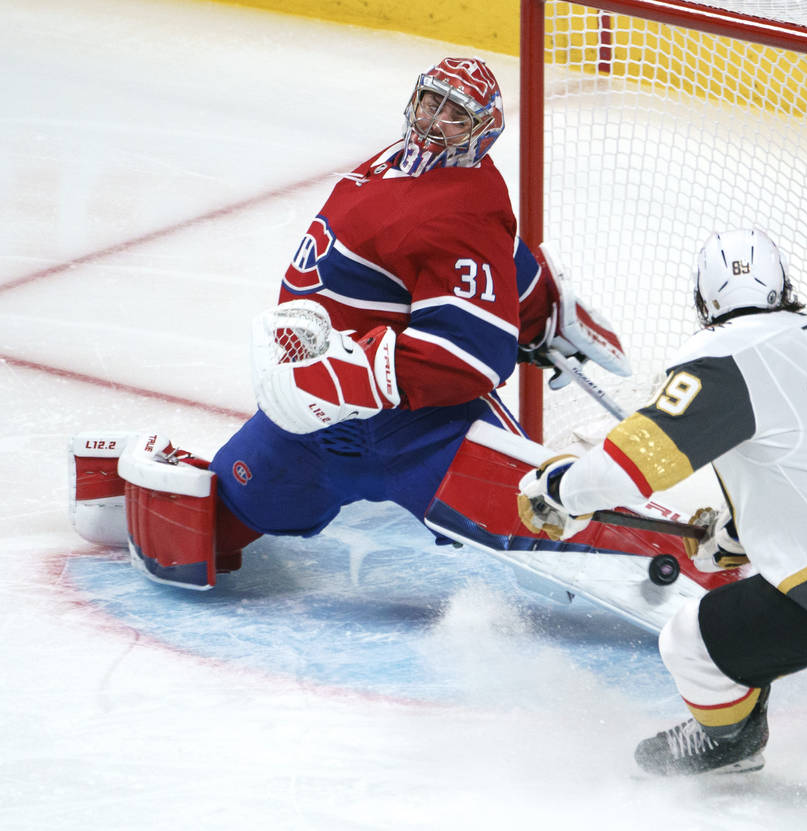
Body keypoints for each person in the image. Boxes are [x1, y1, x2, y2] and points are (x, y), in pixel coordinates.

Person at [68, 57, 628, 588]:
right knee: (207, 531)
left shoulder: (463, 206)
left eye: (455, 115)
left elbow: (470, 353)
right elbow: (497, 253)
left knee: (558, 531)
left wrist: (345, 376)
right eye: (431, 102)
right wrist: (540, 308)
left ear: (481, 132)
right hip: (317, 427)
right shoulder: (398, 164)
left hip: (424, 428)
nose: (435, 122)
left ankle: (677, 554)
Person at [517, 228, 807, 776]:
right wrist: (740, 534)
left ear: (703, 300)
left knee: (691, 643)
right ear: (784, 287)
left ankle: (727, 741)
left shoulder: (722, 357)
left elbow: (633, 466)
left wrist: (561, 489)